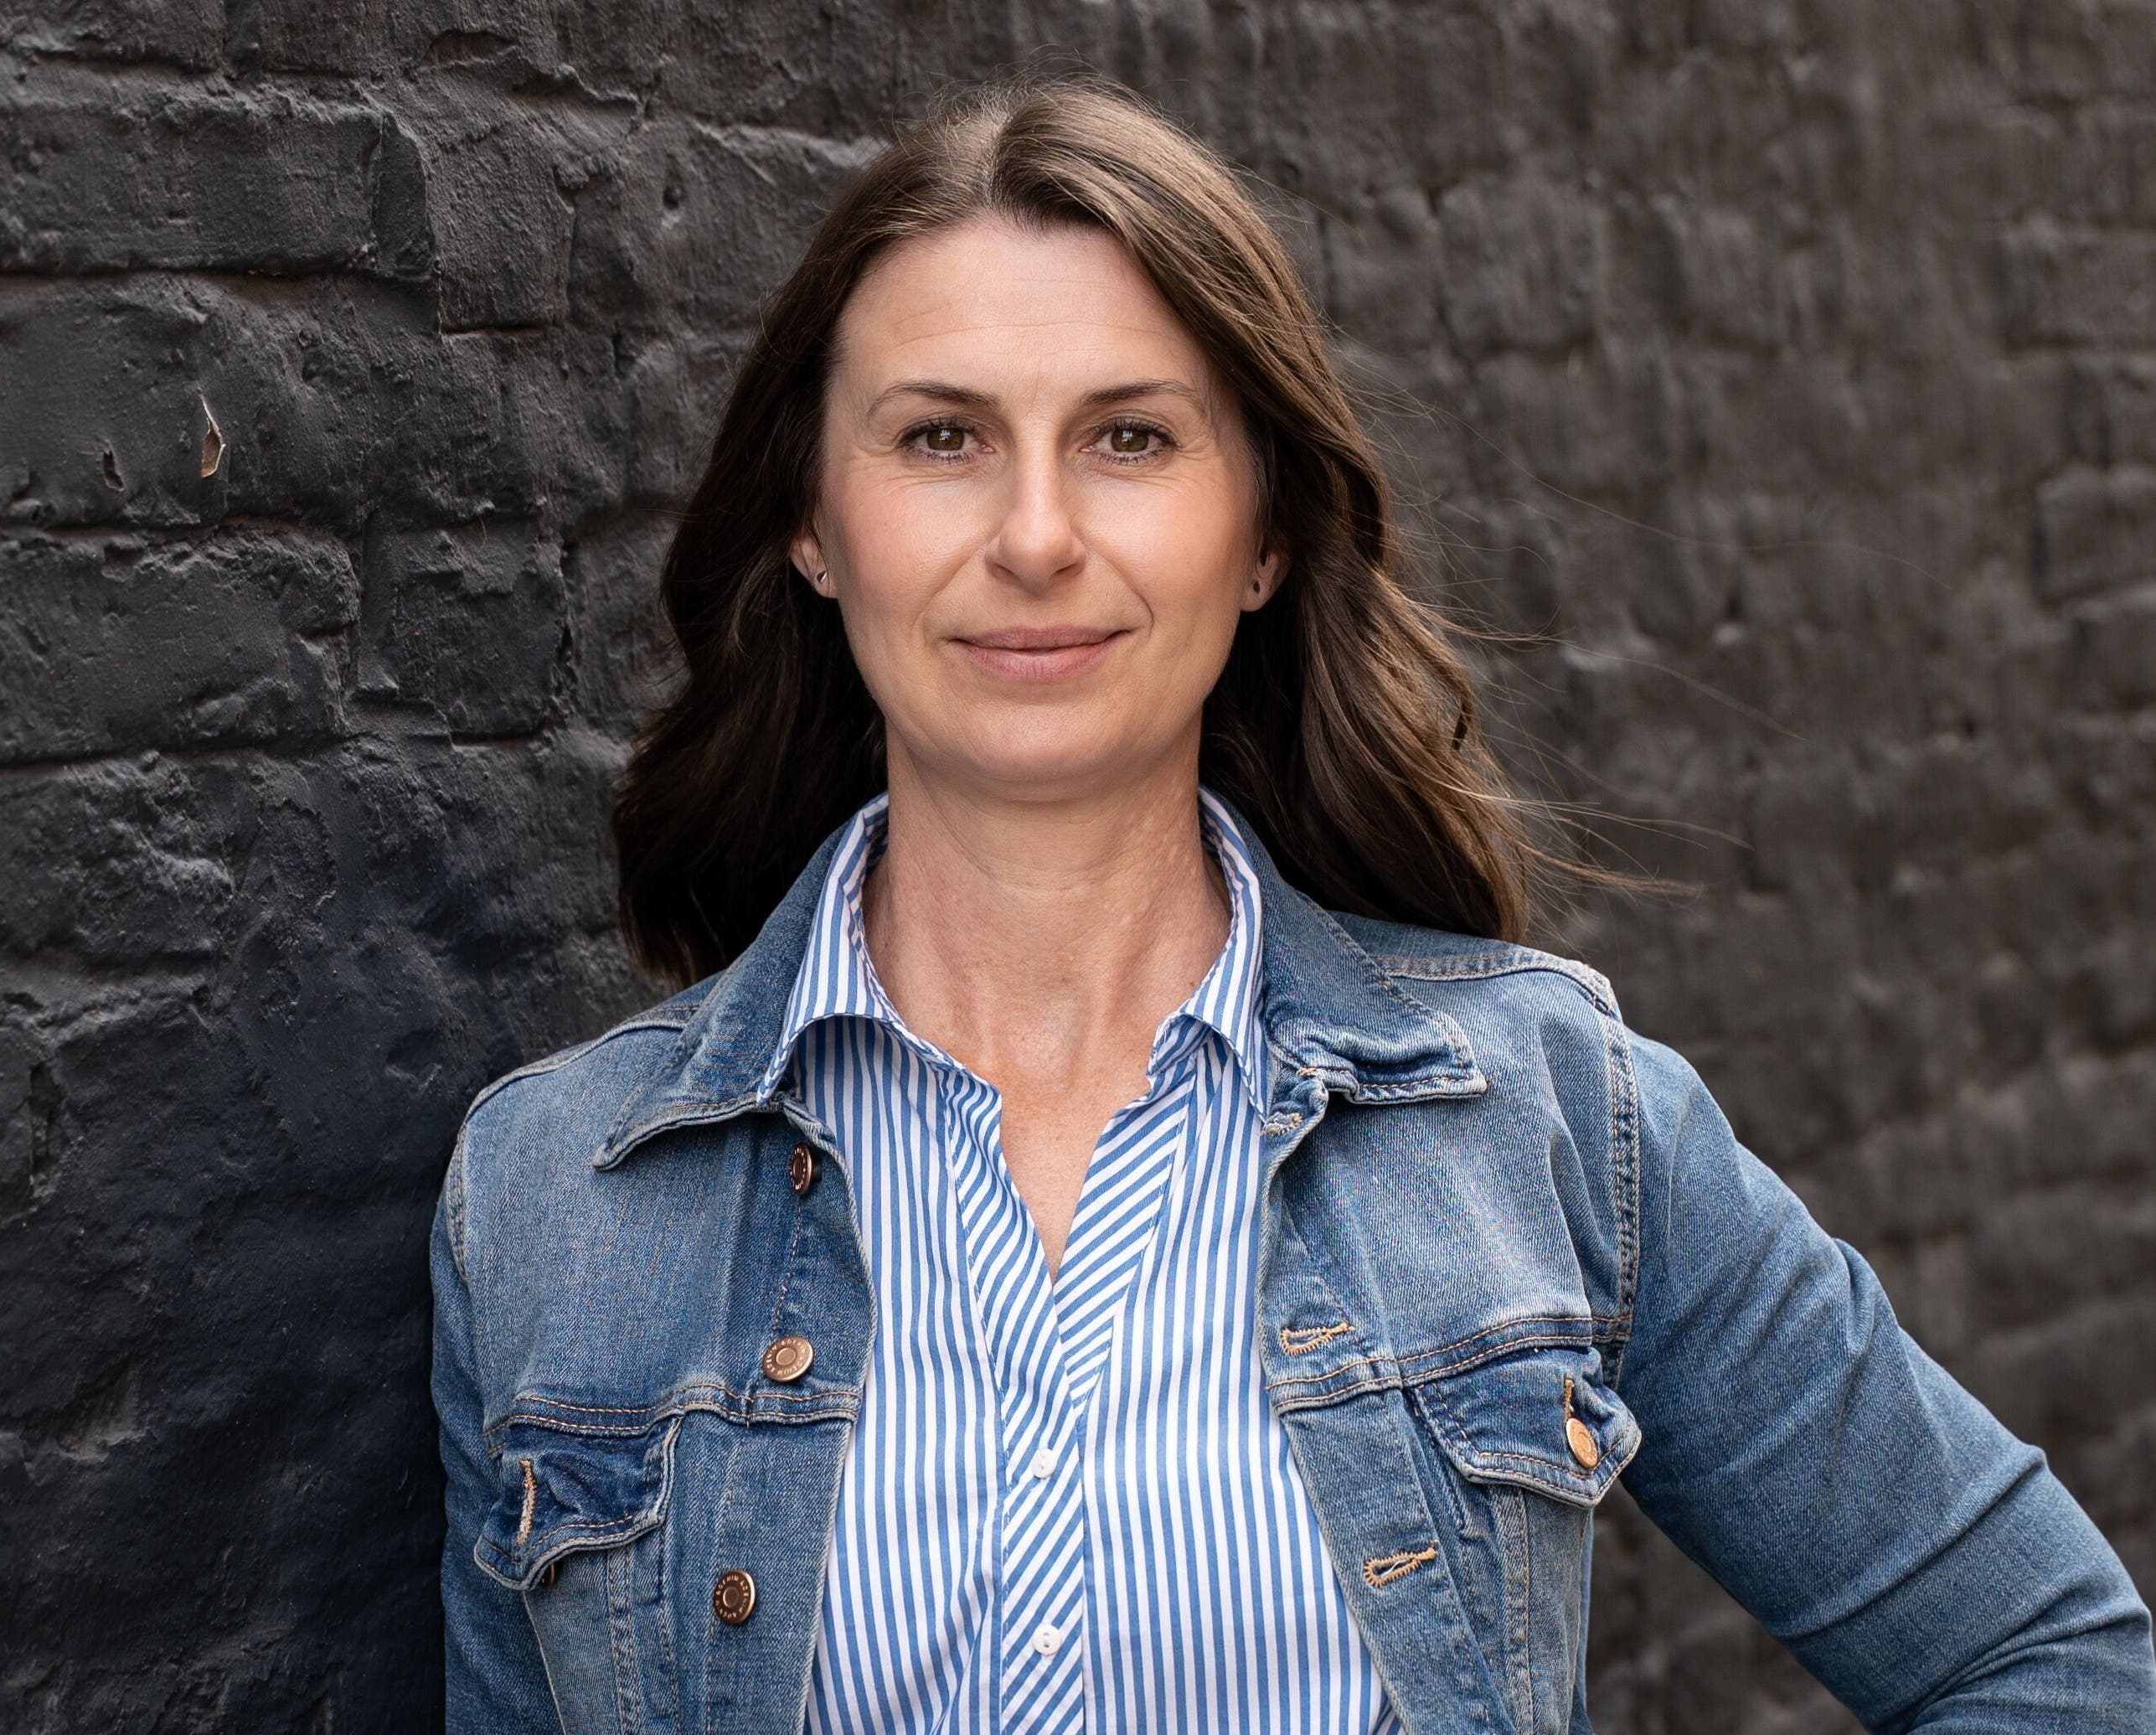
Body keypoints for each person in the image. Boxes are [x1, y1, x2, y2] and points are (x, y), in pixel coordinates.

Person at [430, 70, 2153, 1734]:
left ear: (1259, 533)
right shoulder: (552, 1201)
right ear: (816, 519)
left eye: (1130, 437)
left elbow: (2054, 1662)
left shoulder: (1547, 1115)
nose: (1035, 533)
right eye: (942, 436)